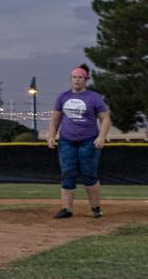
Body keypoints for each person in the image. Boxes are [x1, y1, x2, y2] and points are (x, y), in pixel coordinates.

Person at [46, 64, 111, 219]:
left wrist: (101, 136)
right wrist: (51, 135)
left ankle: (95, 208)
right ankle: (66, 209)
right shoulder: (63, 97)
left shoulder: (93, 98)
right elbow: (55, 119)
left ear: (85, 80)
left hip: (88, 141)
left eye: (80, 77)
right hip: (67, 141)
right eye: (74, 77)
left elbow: (105, 119)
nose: (77, 80)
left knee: (89, 174)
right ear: (70, 79)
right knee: (67, 173)